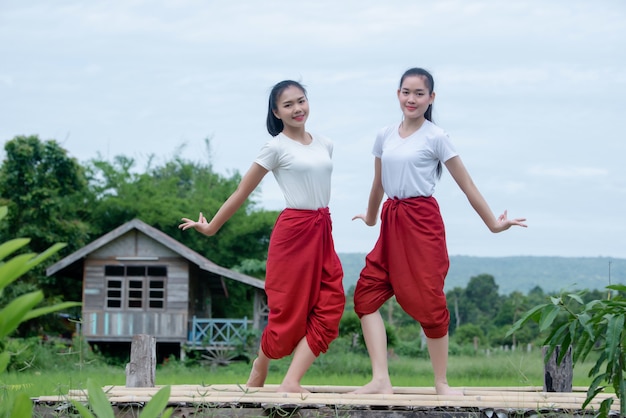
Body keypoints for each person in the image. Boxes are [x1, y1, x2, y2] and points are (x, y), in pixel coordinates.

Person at [351, 67, 527, 396]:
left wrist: (494, 224)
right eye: (406, 92)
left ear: (431, 98)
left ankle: (441, 382)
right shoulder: (384, 135)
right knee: (365, 296)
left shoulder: (436, 137)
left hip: (422, 222)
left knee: (430, 300)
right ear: (397, 94)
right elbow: (378, 183)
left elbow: (467, 184)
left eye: (419, 93)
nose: (411, 99)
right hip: (392, 220)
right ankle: (380, 379)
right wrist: (372, 218)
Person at [179, 80, 345, 393]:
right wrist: (211, 226)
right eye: (288, 105)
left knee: (332, 303)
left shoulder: (326, 143)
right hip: (293, 233)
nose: (297, 109)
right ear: (276, 112)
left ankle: (290, 382)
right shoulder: (276, 147)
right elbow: (243, 190)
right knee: (287, 315)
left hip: (322, 231)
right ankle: (262, 362)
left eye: (301, 101)